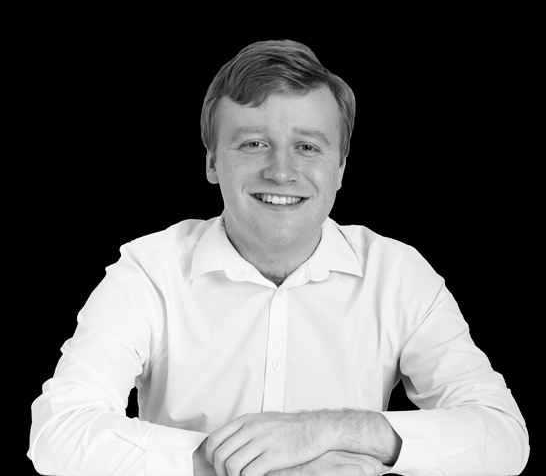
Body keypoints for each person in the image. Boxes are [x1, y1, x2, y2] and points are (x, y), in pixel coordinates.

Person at [28, 39, 529, 475]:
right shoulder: (148, 271)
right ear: (212, 162)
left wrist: (327, 430)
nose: (282, 171)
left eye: (308, 147)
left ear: (340, 168)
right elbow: (58, 433)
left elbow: (503, 438)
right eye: (253, 143)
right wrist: (255, 466)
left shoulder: (398, 275)